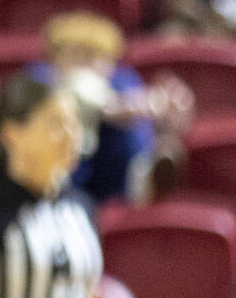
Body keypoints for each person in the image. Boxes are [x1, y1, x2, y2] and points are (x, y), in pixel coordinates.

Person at [0, 74, 103, 298]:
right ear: (12, 133)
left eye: (75, 122)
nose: (72, 135)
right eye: (56, 123)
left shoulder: (82, 207)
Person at [28, 11, 193, 203]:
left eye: (95, 55)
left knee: (130, 134)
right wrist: (127, 107)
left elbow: (141, 109)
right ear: (55, 56)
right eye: (77, 53)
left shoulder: (122, 80)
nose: (86, 63)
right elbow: (102, 104)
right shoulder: (39, 78)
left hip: (112, 170)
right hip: (64, 170)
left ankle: (147, 175)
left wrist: (164, 108)